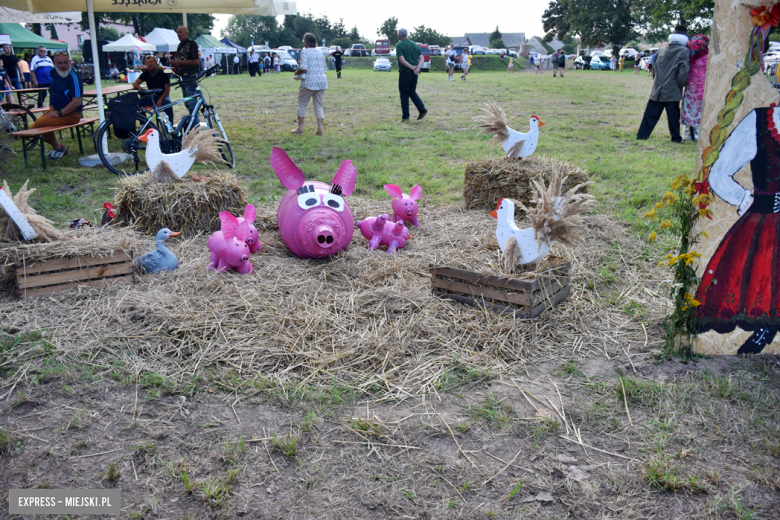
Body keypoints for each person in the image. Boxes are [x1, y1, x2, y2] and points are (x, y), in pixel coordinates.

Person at [636, 26, 691, 143]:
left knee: (650, 114)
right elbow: (683, 72)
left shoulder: (661, 49)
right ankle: (676, 138)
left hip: (658, 88)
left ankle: (642, 135)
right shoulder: (684, 51)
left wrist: (656, 81)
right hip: (673, 88)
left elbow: (654, 68)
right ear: (684, 40)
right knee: (673, 116)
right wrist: (682, 85)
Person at [27, 52, 83, 161]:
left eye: (65, 62)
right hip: (54, 109)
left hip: (71, 115)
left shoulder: (74, 77)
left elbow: (77, 102)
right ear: (54, 63)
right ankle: (59, 148)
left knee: (38, 126)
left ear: (70, 61)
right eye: (59, 63)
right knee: (33, 130)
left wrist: (59, 113)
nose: (63, 66)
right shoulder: (53, 72)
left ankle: (58, 148)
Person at [292, 33, 328, 135]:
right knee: (319, 106)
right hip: (322, 82)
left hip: (309, 82)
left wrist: (296, 72)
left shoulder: (305, 52)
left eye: (304, 40)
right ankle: (320, 129)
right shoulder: (320, 53)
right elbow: (324, 69)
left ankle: (300, 128)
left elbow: (303, 68)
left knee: (302, 104)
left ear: (306, 42)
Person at [681, 35, 709, 142]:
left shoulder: (689, 56)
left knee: (690, 111)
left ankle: (687, 135)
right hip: (704, 90)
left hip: (691, 90)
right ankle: (697, 135)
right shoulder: (709, 57)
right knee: (701, 112)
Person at [395, 27, 427, 122]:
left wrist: (412, 67)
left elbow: (402, 60)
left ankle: (405, 117)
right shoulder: (415, 45)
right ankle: (422, 109)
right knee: (412, 92)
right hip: (414, 73)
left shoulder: (399, 45)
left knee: (404, 94)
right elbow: (422, 59)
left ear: (399, 35)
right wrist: (417, 68)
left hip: (405, 72)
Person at [171, 26, 200, 126]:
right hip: (183, 78)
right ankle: (193, 123)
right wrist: (174, 62)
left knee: (191, 103)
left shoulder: (192, 44)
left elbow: (196, 61)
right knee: (187, 103)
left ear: (187, 33)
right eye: (177, 32)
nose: (179, 34)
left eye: (181, 32)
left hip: (190, 77)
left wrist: (180, 62)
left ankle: (195, 125)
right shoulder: (180, 45)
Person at [133, 55, 174, 126]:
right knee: (137, 103)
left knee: (167, 103)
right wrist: (141, 90)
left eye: (151, 62)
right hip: (150, 96)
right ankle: (145, 124)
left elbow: (167, 89)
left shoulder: (163, 73)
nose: (149, 64)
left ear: (156, 62)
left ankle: (169, 126)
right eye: (147, 62)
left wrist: (161, 99)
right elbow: (135, 83)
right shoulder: (145, 73)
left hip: (162, 95)